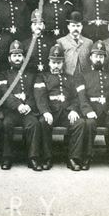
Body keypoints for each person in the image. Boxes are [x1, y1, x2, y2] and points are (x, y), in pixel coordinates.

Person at [75, 41, 109, 172]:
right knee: (89, 124)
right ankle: (87, 157)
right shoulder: (82, 75)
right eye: (96, 56)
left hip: (107, 112)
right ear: (91, 58)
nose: (98, 59)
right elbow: (81, 97)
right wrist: (87, 111)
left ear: (104, 58)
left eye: (101, 56)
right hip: (91, 111)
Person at [34, 43, 86, 171]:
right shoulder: (42, 77)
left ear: (63, 63)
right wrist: (45, 112)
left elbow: (76, 97)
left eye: (59, 62)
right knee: (42, 122)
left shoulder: (70, 78)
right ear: (49, 62)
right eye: (53, 62)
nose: (56, 65)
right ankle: (47, 157)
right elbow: (40, 97)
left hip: (66, 112)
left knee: (80, 123)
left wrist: (74, 109)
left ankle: (72, 158)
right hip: (51, 112)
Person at [0, 40, 42, 171]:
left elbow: (36, 94)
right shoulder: (4, 74)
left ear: (24, 57)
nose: (17, 58)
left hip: (28, 110)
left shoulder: (32, 75)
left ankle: (33, 158)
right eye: (14, 55)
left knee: (34, 124)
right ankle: (7, 157)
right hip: (12, 111)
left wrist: (29, 105)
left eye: (19, 56)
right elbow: (4, 93)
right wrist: (18, 105)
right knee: (6, 124)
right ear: (9, 58)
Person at [57, 11, 93, 76]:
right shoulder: (61, 42)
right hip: (68, 76)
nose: (75, 28)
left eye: (78, 26)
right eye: (73, 26)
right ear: (68, 27)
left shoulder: (89, 42)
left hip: (85, 77)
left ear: (81, 27)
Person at [22, 9, 56, 74]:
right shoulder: (25, 44)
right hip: (31, 75)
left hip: (47, 75)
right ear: (31, 26)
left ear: (44, 26)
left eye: (40, 24)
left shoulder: (51, 42)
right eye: (35, 24)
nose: (37, 26)